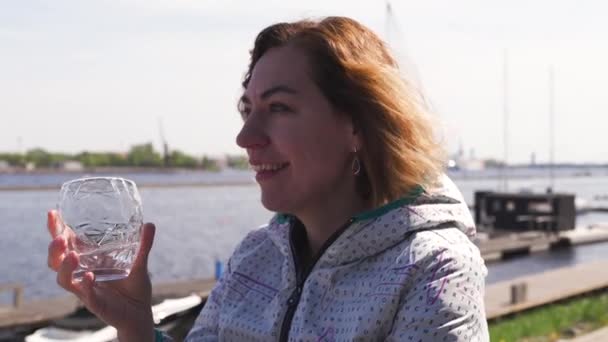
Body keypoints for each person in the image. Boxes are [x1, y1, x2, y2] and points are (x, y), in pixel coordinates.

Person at [47, 16, 489, 341]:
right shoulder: (256, 258)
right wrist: (136, 324)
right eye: (247, 110)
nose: (245, 137)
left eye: (278, 108)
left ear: (358, 125)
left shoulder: (435, 271)